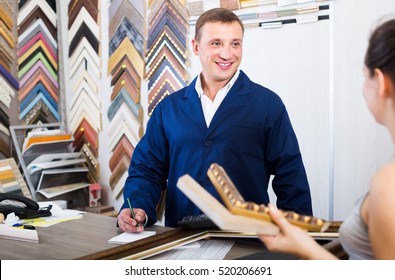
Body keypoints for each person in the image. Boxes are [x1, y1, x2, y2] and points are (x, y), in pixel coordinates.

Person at [117, 8, 312, 232]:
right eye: (216, 43)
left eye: (235, 44)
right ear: (196, 46)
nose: (227, 54)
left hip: (247, 239)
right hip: (182, 239)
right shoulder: (168, 109)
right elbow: (147, 168)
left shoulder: (268, 105)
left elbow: (291, 176)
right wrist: (137, 206)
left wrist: (300, 239)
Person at [259, 18, 395, 260]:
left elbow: (289, 173)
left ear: (381, 82)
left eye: (364, 76)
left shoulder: (388, 185)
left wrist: (305, 247)